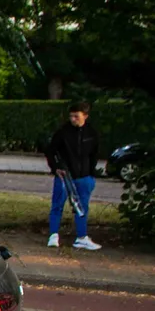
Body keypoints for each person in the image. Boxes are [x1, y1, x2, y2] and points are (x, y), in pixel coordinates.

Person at [45, 101, 102, 250]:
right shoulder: (63, 132)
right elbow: (50, 151)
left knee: (82, 207)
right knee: (57, 205)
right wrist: (55, 167)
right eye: (71, 116)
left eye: (76, 116)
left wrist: (91, 174)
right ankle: (53, 235)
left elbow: (94, 154)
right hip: (65, 175)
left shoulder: (91, 133)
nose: (73, 119)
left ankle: (82, 237)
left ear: (85, 116)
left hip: (84, 176)